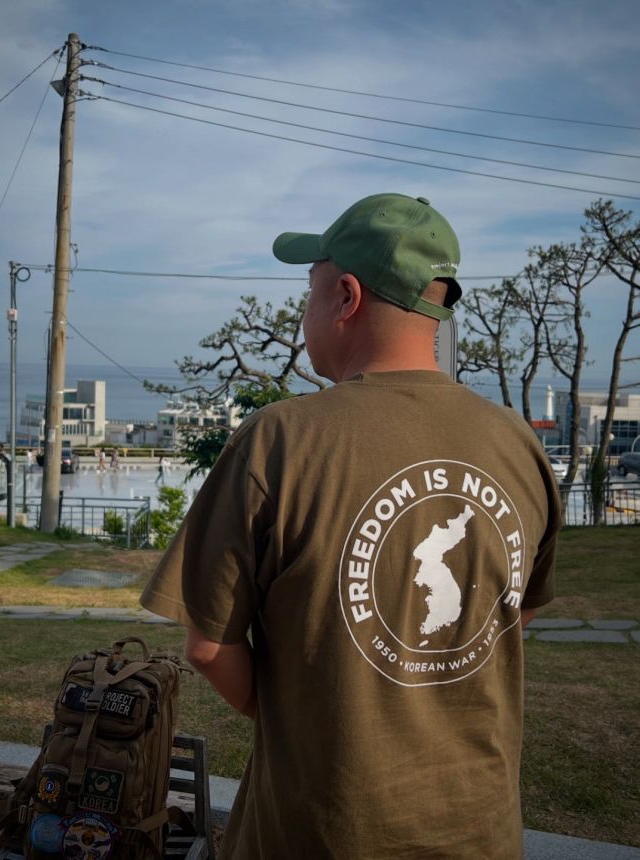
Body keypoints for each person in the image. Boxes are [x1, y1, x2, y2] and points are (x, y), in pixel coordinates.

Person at [141, 193, 561, 859]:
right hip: (479, 830)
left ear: (344, 296)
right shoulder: (516, 442)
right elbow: (517, 609)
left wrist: (313, 712)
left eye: (308, 293)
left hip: (321, 831)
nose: (304, 313)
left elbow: (209, 647)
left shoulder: (278, 440)